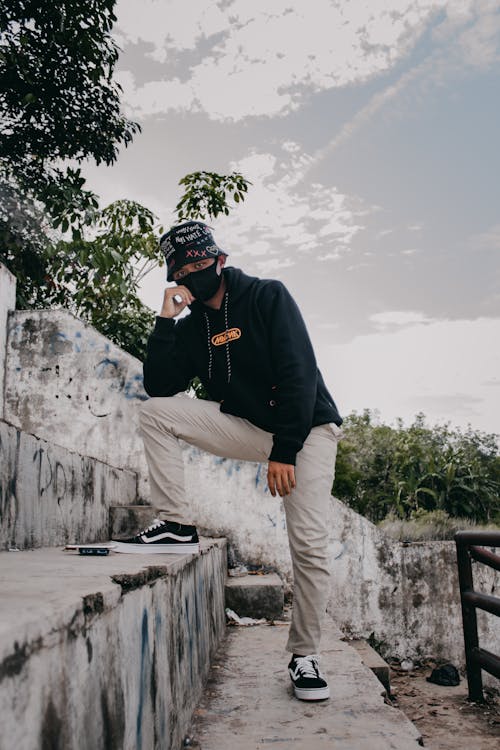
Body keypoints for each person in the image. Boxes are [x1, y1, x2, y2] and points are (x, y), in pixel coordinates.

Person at [112, 221, 343, 701]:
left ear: (220, 260)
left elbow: (299, 372)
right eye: (183, 269)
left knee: (310, 548)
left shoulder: (267, 297)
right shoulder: (194, 326)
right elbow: (159, 384)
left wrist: (284, 452)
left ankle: (304, 656)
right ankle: (175, 523)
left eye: (201, 264)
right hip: (244, 426)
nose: (194, 274)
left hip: (307, 432)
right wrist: (165, 320)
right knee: (155, 413)